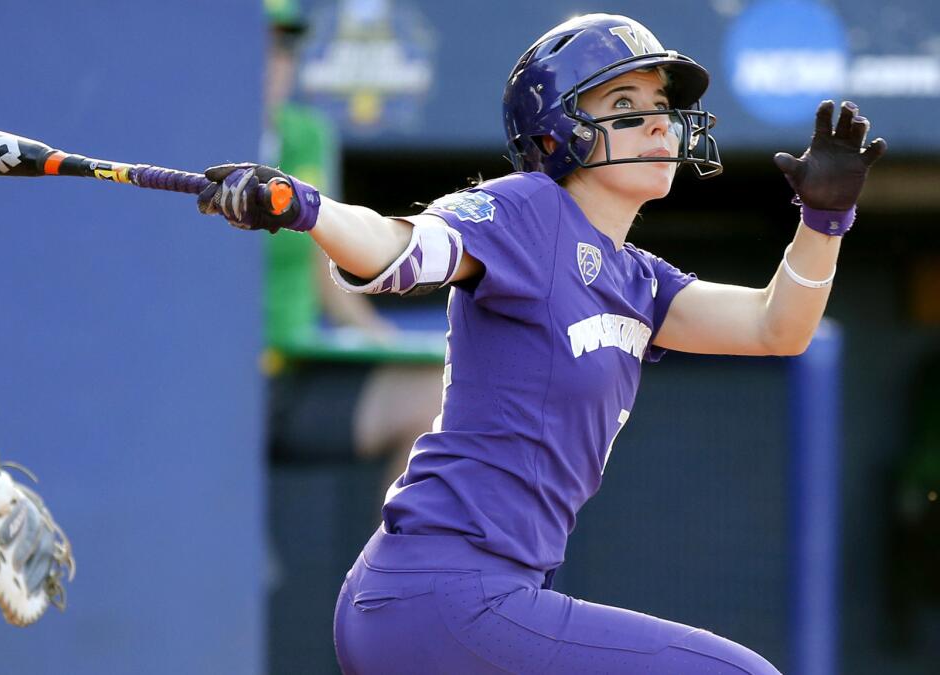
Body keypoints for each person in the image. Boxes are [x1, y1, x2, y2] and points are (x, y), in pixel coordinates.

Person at [198, 12, 885, 674]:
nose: (658, 120)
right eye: (624, 100)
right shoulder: (527, 209)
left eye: (660, 104)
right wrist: (305, 207)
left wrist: (823, 222)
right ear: (560, 130)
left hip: (471, 602)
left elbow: (779, 326)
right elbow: (401, 245)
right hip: (442, 596)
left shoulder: (639, 279)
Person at [261, 0, 443, 490]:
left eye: (284, 46)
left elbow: (325, 271)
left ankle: (396, 566)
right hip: (212, 382)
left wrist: (380, 337)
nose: (272, 61)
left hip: (292, 379)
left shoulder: (308, 136)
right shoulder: (191, 135)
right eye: (260, 43)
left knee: (436, 399)